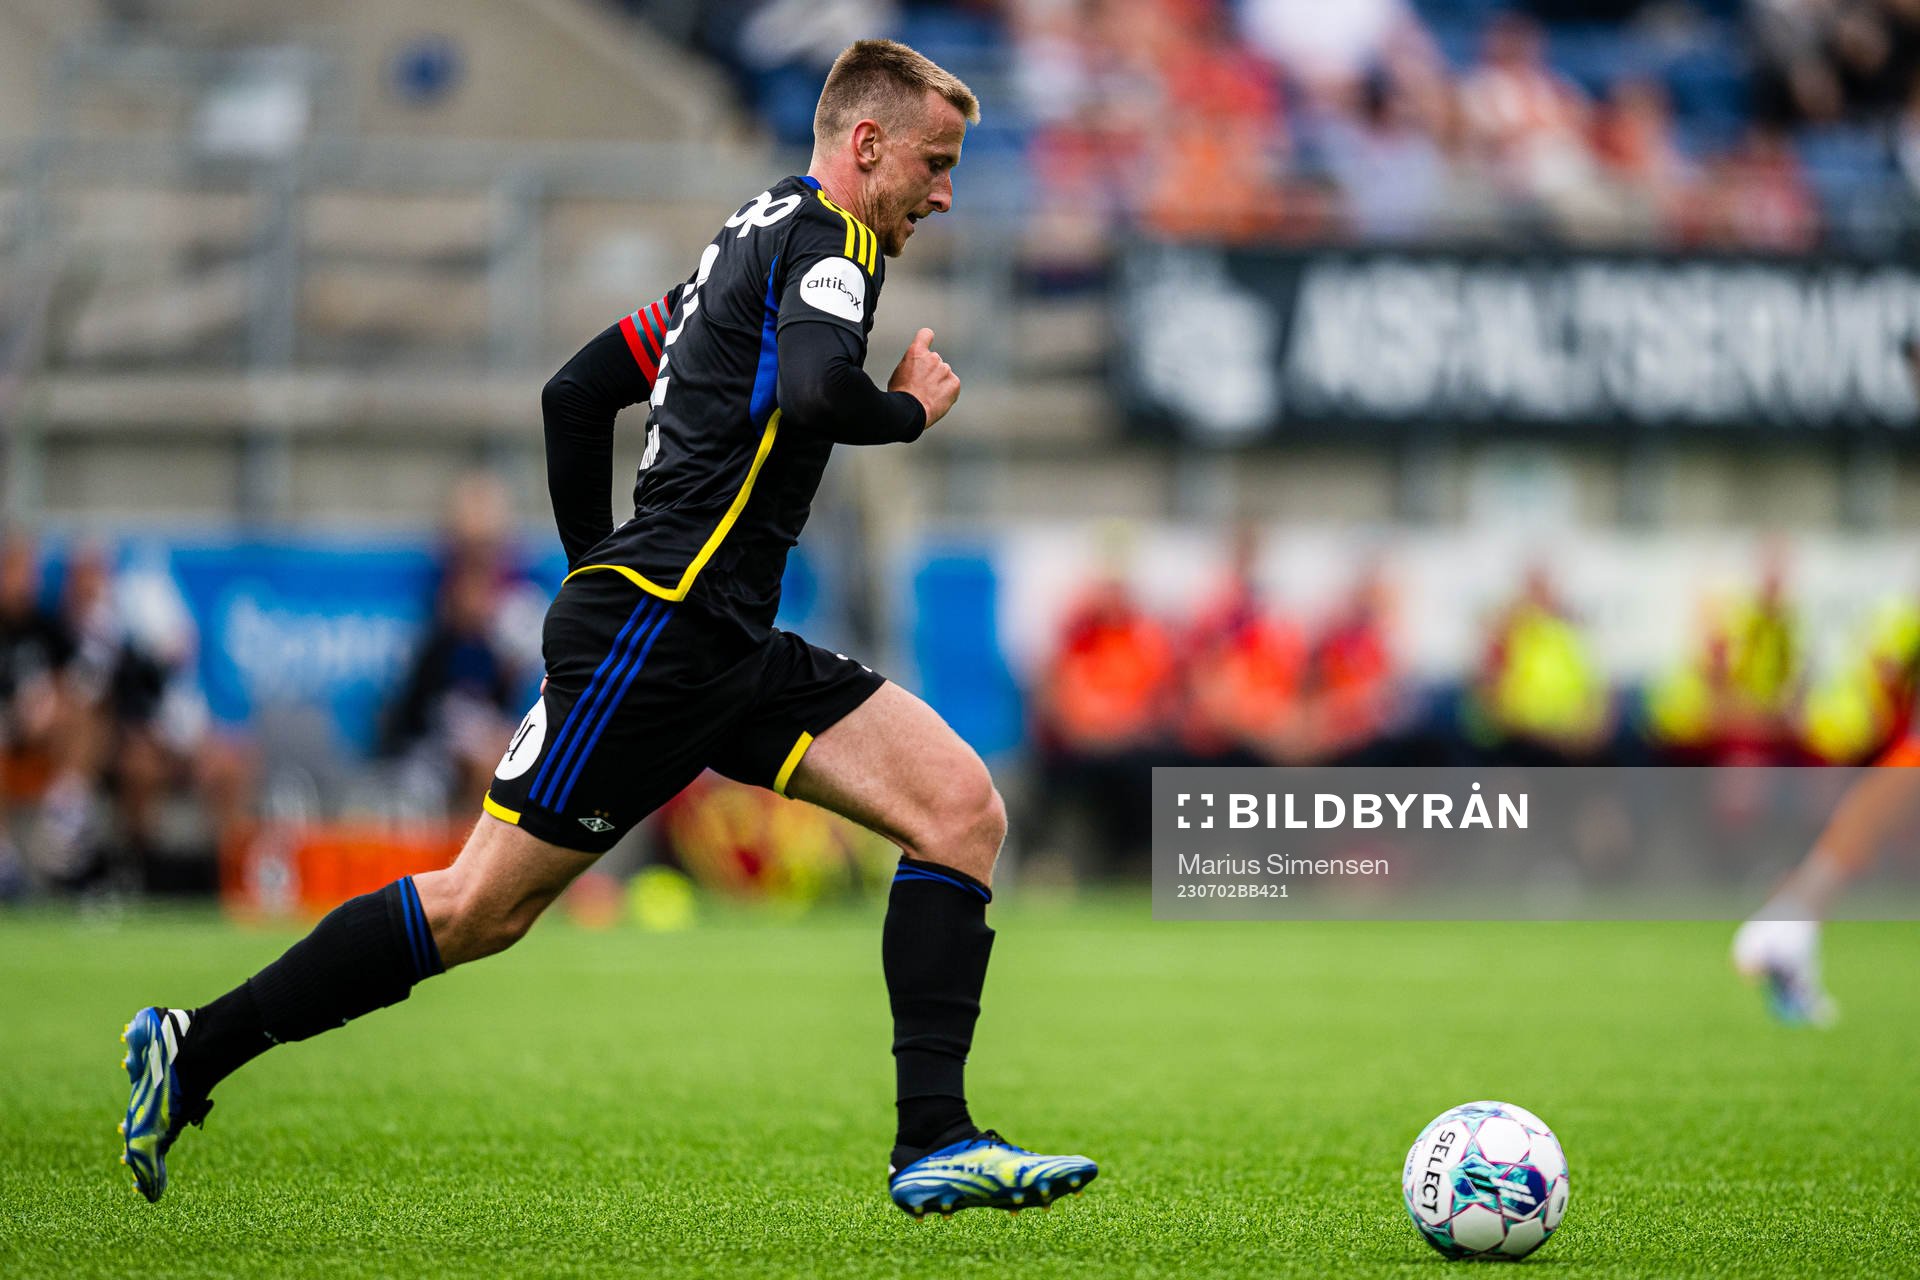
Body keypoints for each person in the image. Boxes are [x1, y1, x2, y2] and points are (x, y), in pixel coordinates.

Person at [118, 39, 1096, 1218]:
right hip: (667, 631)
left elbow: (579, 392)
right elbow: (814, 394)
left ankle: (933, 1137)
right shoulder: (831, 242)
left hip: (712, 636)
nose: (946, 191)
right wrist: (905, 410)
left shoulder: (746, 244)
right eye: (935, 163)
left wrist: (598, 568)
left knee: (959, 809)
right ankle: (197, 1044)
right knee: (483, 906)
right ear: (866, 143)